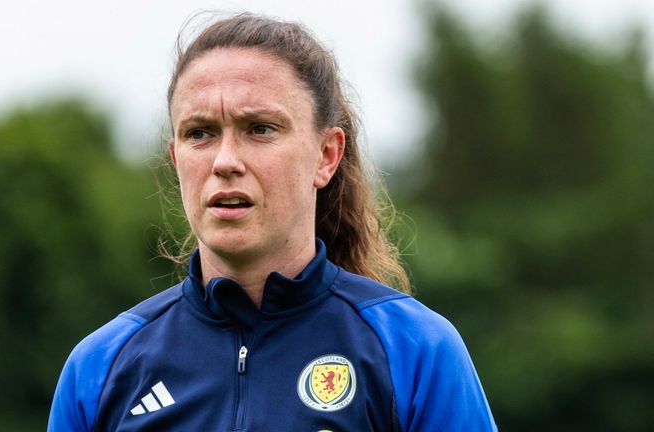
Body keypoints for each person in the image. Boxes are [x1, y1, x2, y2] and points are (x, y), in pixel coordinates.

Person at [48, 13, 497, 431]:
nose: (225, 161)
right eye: (199, 133)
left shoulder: (415, 349)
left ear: (326, 156)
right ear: (175, 159)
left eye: (260, 128)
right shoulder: (100, 368)